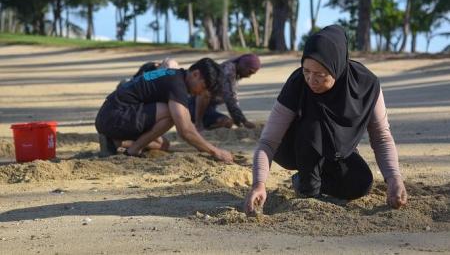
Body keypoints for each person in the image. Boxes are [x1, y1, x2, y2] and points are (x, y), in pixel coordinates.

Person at [245, 25, 408, 215]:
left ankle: (302, 181)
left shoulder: (367, 85)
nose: (311, 80)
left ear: (337, 67)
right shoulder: (298, 82)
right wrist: (258, 184)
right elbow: (268, 142)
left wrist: (394, 178)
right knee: (314, 124)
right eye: (306, 71)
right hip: (294, 146)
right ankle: (307, 190)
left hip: (337, 150)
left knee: (360, 183)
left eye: (320, 75)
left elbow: (381, 137)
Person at [95, 57, 233, 163]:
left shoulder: (175, 76)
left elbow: (188, 126)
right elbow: (185, 131)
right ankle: (133, 151)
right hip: (114, 116)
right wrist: (216, 152)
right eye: (204, 87)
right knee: (170, 113)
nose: (202, 93)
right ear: (195, 74)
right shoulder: (176, 84)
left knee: (162, 144)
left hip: (110, 116)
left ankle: (114, 142)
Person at [189, 54, 261, 130]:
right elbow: (230, 98)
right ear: (243, 65)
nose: (249, 76)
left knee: (227, 122)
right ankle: (198, 123)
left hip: (209, 109)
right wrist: (243, 121)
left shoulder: (235, 72)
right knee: (205, 93)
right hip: (192, 105)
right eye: (249, 72)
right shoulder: (228, 71)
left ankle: (203, 127)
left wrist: (240, 121)